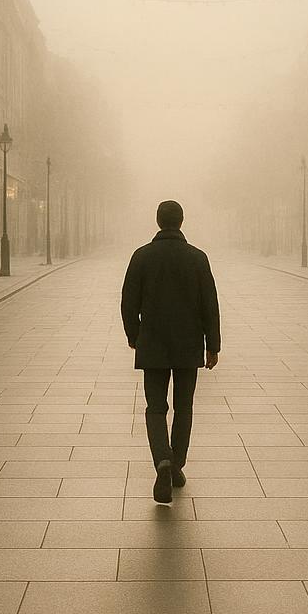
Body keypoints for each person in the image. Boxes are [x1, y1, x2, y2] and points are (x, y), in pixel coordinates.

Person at [120, 200, 221, 504]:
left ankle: (162, 461)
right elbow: (209, 304)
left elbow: (128, 301)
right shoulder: (197, 258)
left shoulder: (141, 256)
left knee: (155, 407)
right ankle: (177, 464)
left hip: (153, 344)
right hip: (188, 345)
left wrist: (134, 335)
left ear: (158, 221)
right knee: (184, 407)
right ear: (181, 221)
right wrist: (212, 345)